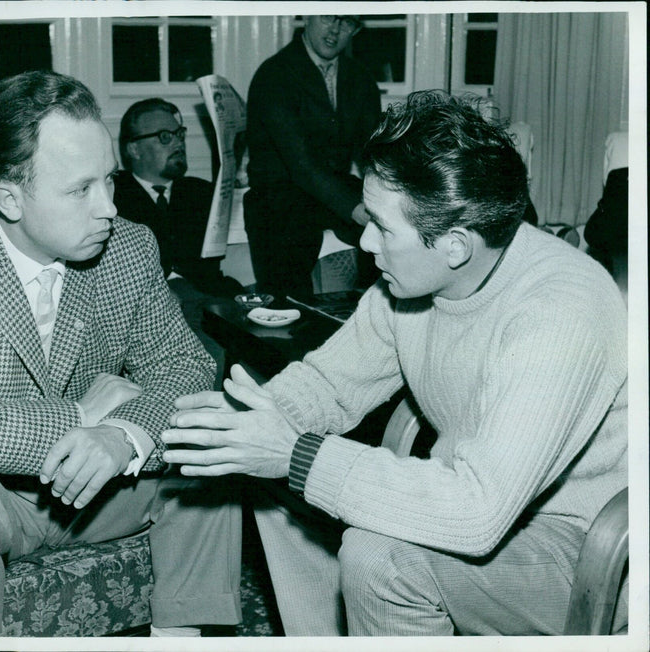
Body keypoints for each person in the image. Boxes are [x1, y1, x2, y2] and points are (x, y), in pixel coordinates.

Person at [161, 91, 627, 636]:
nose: (363, 240)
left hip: (589, 547)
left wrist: (296, 455)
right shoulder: (411, 281)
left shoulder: (559, 310)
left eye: (382, 227)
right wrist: (250, 424)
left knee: (379, 556)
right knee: (263, 472)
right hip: (489, 505)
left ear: (454, 245)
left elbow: (477, 512)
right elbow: (329, 385)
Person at [0, 70, 241, 637]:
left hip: (105, 493)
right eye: (80, 190)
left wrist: (121, 436)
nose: (109, 209)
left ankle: (182, 638)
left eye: (110, 181)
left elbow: (185, 366)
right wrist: (83, 418)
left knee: (209, 451)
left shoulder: (130, 248)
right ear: (9, 198)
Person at [244, 14, 381, 298]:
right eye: (328, 17)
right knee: (290, 299)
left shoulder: (360, 77)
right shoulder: (274, 74)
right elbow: (301, 165)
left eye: (348, 23)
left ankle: (373, 320)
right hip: (279, 195)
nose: (335, 30)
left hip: (332, 190)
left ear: (355, 30)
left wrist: (385, 198)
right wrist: (357, 210)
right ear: (306, 16)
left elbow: (373, 150)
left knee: (393, 237)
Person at [114, 97, 245, 384]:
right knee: (208, 357)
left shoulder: (199, 192)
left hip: (208, 296)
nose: (178, 143)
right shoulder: (115, 195)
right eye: (164, 137)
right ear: (134, 148)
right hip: (154, 305)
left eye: (179, 135)